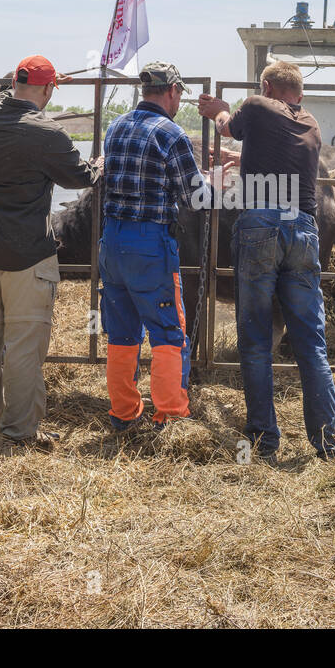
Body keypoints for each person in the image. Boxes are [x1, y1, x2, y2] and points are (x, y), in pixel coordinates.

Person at [198, 61, 335, 460]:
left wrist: (219, 112)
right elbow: (279, 155)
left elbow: (228, 126)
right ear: (298, 94)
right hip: (302, 228)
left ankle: (264, 439)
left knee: (256, 338)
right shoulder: (311, 123)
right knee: (311, 342)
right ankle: (329, 443)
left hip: (260, 223)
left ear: (267, 86)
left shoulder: (258, 105)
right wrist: (241, 159)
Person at [0, 55, 101, 449]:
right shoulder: (46, 132)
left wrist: (35, 82)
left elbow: (3, 97)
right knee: (25, 346)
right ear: (46, 90)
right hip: (27, 255)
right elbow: (81, 176)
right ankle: (19, 431)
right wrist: (99, 164)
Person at [100, 61, 204, 432]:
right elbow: (194, 198)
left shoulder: (115, 127)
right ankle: (171, 414)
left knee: (121, 332)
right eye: (179, 95)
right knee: (167, 331)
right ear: (173, 90)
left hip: (112, 241)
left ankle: (125, 414)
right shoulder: (172, 134)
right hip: (150, 243)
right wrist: (211, 178)